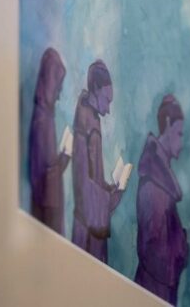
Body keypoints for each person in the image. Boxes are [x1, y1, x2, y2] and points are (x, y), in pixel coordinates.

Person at [134, 95, 189, 305]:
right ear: (167, 124)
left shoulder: (160, 181)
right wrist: (181, 249)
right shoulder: (154, 185)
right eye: (179, 134)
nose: (182, 143)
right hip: (153, 292)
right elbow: (152, 251)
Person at [71, 60, 124, 263]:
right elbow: (83, 183)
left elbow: (93, 176)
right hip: (87, 230)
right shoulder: (85, 123)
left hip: (90, 223)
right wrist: (109, 200)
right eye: (107, 100)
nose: (108, 109)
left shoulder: (93, 118)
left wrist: (109, 188)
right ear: (95, 89)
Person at [27, 47, 71, 234]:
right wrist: (65, 158)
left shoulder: (45, 116)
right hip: (46, 215)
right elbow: (42, 179)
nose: (59, 95)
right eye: (58, 88)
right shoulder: (42, 121)